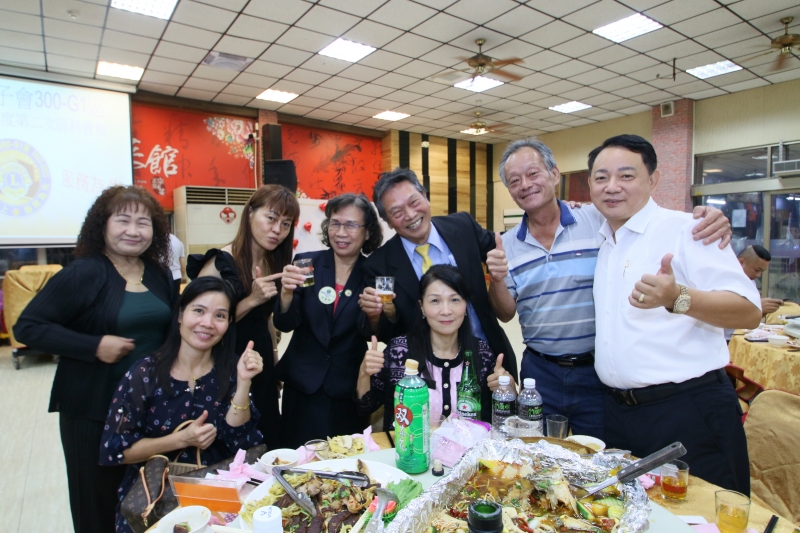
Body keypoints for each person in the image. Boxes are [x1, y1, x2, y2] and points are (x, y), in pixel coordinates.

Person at [485, 138, 732, 439]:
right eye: (514, 181)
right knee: (539, 451)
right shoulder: (507, 243)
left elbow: (648, 218)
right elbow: (505, 313)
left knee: (603, 451)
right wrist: (497, 278)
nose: (525, 184)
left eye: (533, 173)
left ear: (554, 174)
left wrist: (709, 217)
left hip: (598, 370)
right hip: (541, 371)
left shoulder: (598, 219)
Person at [588, 134, 761, 493]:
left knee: (703, 513)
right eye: (601, 177)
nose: (612, 186)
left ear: (653, 179)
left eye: (626, 175)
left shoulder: (688, 230)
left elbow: (748, 311)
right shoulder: (606, 240)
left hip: (687, 411)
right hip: (619, 414)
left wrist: (676, 297)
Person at [14, 186, 175, 533]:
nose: (133, 231)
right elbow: (28, 327)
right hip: (92, 410)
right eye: (123, 220)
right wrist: (93, 345)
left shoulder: (158, 272)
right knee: (96, 506)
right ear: (102, 226)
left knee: (146, 501)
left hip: (148, 407)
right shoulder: (83, 273)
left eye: (143, 223)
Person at [100, 277, 264, 533]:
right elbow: (118, 451)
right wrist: (181, 439)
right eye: (198, 311)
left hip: (217, 501)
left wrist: (243, 383)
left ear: (228, 323)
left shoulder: (232, 367)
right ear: (180, 315)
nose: (207, 323)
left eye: (220, 316)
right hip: (156, 502)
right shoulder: (145, 373)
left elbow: (242, 441)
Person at [358, 168, 518, 381]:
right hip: (424, 376)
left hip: (489, 364)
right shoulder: (379, 265)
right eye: (397, 212)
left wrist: (546, 218)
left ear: (425, 196)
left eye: (414, 202)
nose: (410, 215)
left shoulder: (463, 227)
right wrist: (377, 315)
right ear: (387, 221)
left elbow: (508, 244)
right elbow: (386, 332)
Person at [189, 184, 299, 449]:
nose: (277, 230)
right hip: (225, 361)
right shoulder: (219, 262)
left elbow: (267, 319)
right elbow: (198, 323)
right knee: (231, 442)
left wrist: (274, 365)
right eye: (271, 218)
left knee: (267, 439)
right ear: (250, 213)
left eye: (285, 224)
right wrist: (252, 299)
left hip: (260, 359)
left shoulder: (273, 262)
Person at [274, 193, 383, 448]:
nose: (341, 233)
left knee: (343, 460)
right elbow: (285, 324)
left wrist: (375, 313)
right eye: (335, 223)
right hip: (302, 386)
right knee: (296, 459)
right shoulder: (307, 263)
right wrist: (286, 293)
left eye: (351, 225)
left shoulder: (373, 273)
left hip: (346, 388)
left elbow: (371, 332)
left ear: (367, 232)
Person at [357, 265, 513, 429]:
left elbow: (497, 422)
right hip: (408, 444)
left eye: (454, 300)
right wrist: (364, 373)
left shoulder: (481, 353)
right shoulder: (400, 351)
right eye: (435, 301)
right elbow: (366, 407)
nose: (446, 311)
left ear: (466, 305)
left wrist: (507, 389)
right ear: (422, 307)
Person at [738, 245, 782, 315]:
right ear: (741, 262)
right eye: (757, 270)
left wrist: (764, 310)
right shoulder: (724, 280)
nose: (758, 275)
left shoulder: (751, 282)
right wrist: (755, 307)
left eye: (762, 271)